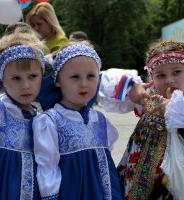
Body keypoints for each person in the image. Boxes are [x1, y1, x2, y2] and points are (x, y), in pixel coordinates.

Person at [32, 41, 123, 199]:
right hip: (72, 192)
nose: (84, 84)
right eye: (75, 77)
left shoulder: (99, 120)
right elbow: (47, 166)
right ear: (58, 80)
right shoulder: (50, 121)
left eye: (91, 76)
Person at [105, 40, 184, 200]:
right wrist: (131, 88)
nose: (169, 80)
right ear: (151, 77)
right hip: (132, 181)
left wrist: (173, 109)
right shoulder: (148, 100)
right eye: (160, 75)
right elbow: (104, 80)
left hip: (170, 187)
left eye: (176, 72)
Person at [0, 31, 46, 199]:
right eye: (16, 78)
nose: (26, 85)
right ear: (3, 80)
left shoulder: (42, 117)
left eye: (33, 76)